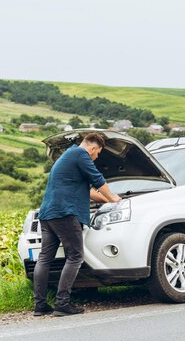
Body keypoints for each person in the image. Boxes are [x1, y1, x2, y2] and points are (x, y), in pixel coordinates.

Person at [33, 132, 122, 317]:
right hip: (65, 213)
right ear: (93, 148)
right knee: (75, 256)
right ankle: (62, 304)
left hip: (48, 213)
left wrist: (107, 201)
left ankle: (40, 306)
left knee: (44, 258)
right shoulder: (81, 155)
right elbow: (98, 180)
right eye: (97, 154)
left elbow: (89, 191)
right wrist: (113, 197)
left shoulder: (69, 155)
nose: (97, 158)